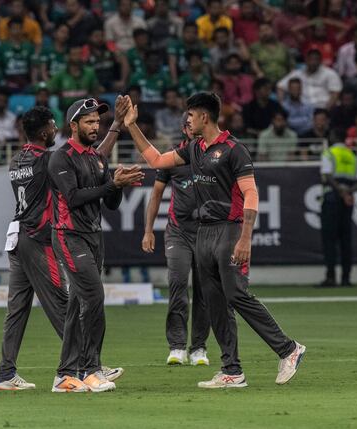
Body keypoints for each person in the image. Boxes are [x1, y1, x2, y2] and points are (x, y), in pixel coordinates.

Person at [124, 91, 306, 389]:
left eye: (191, 115)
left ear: (204, 117)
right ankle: (231, 370)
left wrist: (245, 237)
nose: (188, 120)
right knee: (214, 301)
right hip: (203, 232)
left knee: (236, 294)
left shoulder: (234, 150)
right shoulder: (194, 149)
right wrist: (132, 125)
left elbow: (251, 193)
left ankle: (288, 349)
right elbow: (156, 159)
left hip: (230, 229)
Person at [0, 105, 125, 391]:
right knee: (66, 306)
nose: (56, 131)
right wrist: (115, 129)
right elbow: (93, 156)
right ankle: (82, 367)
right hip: (39, 239)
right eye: (53, 126)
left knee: (17, 309)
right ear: (43, 132)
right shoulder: (50, 160)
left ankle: (5, 374)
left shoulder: (17, 160)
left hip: (16, 235)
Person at [48, 97, 144, 392]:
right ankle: (90, 369)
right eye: (89, 122)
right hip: (68, 234)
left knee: (79, 302)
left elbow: (111, 203)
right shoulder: (61, 158)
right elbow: (74, 198)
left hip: (92, 235)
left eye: (98, 122)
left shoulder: (97, 158)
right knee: (93, 297)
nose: (95, 126)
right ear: (73, 125)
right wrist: (111, 185)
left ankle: (65, 375)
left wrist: (119, 184)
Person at [142, 116, 211, 366]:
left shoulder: (213, 157)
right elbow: (157, 193)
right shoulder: (173, 158)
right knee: (178, 283)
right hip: (178, 232)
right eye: (190, 126)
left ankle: (199, 348)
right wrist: (148, 230)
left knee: (205, 290)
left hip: (206, 232)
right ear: (184, 129)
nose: (195, 130)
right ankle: (177, 346)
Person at [318, 141, 357, 287]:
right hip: (347, 201)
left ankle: (331, 277)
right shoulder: (352, 156)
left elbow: (327, 176)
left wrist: (341, 192)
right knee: (346, 240)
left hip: (332, 199)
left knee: (329, 239)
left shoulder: (329, 153)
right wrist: (347, 192)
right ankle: (346, 278)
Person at [277, 49, 342, 110]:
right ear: (306, 60)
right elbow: (280, 86)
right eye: (310, 59)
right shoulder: (297, 73)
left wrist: (325, 111)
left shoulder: (330, 73)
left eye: (316, 59)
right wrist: (283, 107)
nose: (313, 62)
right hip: (302, 109)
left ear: (320, 60)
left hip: (322, 108)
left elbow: (335, 93)